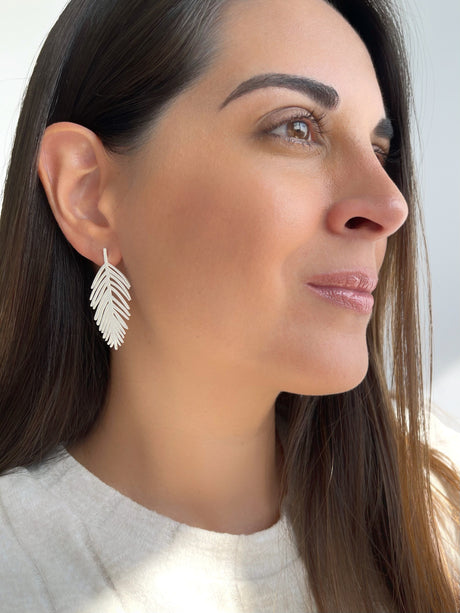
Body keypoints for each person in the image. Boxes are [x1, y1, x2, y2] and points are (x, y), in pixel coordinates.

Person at [0, 0, 459, 611]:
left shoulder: (436, 490)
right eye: (297, 128)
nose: (390, 205)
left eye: (378, 151)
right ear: (87, 193)